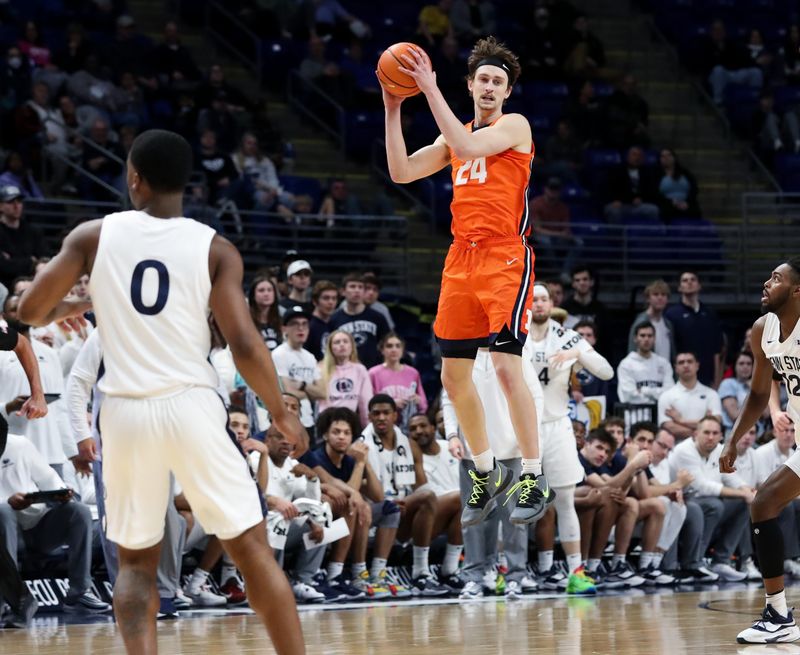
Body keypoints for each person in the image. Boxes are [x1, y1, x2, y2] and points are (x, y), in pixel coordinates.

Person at [16, 129, 306, 654]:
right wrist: (282, 413)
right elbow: (242, 341)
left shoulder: (93, 236)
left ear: (134, 178)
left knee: (135, 562)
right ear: (187, 184)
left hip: (125, 413)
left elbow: (28, 312)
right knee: (252, 550)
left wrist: (70, 305)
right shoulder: (215, 247)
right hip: (191, 404)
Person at [383, 37, 550, 526]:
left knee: (503, 368)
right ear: (471, 85)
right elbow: (400, 171)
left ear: (507, 92)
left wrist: (428, 89)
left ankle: (532, 474)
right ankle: (484, 470)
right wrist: (394, 105)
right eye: (484, 79)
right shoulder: (453, 135)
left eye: (499, 81)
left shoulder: (513, 127)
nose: (491, 87)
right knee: (452, 377)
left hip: (504, 258)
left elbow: (469, 145)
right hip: (461, 258)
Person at [720, 258, 800, 644]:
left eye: (777, 279)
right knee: (764, 504)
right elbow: (756, 394)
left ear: (797, 290)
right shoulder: (761, 330)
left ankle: (779, 614)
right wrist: (732, 439)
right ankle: (779, 615)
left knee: (764, 501)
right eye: (768, 276)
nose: (767, 283)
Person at [525, 283, 612, 594]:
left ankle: (575, 572)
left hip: (558, 424)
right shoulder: (514, 332)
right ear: (525, 302)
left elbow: (606, 372)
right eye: (534, 299)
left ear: (552, 303)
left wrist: (579, 353)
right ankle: (510, 571)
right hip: (521, 426)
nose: (539, 303)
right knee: (517, 502)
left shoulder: (566, 335)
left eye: (544, 298)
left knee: (564, 501)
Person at [361, 394, 449, 595]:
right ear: (369, 417)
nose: (381, 417)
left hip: (404, 508)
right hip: (375, 513)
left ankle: (442, 572)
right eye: (376, 413)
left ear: (395, 416)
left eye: (386, 413)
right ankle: (413, 572)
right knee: (422, 499)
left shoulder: (409, 444)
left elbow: (421, 487)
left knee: (452, 500)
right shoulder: (362, 445)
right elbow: (367, 491)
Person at [407, 412, 464, 591]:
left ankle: (453, 570)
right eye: (413, 429)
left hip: (459, 514)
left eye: (423, 426)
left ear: (433, 428)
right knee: (461, 498)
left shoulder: (450, 447)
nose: (418, 431)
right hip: (426, 516)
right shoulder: (410, 457)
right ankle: (421, 572)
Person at [272, 305, 327, 439]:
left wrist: (302, 385)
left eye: (304, 324)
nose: (301, 328)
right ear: (284, 329)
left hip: (308, 421)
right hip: (288, 420)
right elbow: (287, 392)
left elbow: (322, 393)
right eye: (294, 324)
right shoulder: (279, 354)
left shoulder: (310, 357)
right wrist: (310, 391)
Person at [664, 271, 725, 388]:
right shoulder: (671, 315)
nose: (689, 282)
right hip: (681, 379)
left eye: (693, 279)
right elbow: (670, 350)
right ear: (679, 288)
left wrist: (717, 380)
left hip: (707, 379)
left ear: (699, 285)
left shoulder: (710, 314)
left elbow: (717, 351)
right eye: (685, 280)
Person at [329, 272, 390, 369]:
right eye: (352, 287)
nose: (357, 290)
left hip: (373, 370)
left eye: (360, 287)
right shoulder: (334, 319)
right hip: (344, 371)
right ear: (343, 291)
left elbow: (387, 344)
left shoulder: (378, 317)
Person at [369, 332, 428, 431]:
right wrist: (391, 403)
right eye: (389, 346)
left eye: (398, 346)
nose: (394, 349)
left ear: (402, 350)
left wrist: (418, 401)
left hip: (409, 426)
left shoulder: (413, 373)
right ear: (382, 350)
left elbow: (424, 404)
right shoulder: (373, 373)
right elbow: (369, 403)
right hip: (384, 426)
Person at [657, 351, 722, 440]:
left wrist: (681, 421)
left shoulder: (711, 394)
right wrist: (702, 431)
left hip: (707, 449)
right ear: (675, 368)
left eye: (690, 361)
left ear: (697, 366)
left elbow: (716, 422)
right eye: (681, 362)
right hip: (676, 449)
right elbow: (669, 427)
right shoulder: (666, 396)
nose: (686, 365)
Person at [530, 177, 583, 279]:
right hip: (538, 237)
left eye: (556, 189)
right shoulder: (536, 204)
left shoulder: (562, 207)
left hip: (557, 238)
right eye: (551, 188)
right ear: (545, 189)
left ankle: (565, 272)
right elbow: (537, 229)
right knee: (546, 242)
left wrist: (567, 235)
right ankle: (556, 272)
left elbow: (566, 228)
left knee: (578, 243)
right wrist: (559, 234)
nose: (553, 192)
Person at [317, 329, 372, 427]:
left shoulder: (360, 369)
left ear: (352, 346)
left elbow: (365, 402)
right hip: (326, 421)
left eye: (345, 341)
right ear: (330, 348)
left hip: (351, 421)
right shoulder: (320, 368)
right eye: (337, 342)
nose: (342, 345)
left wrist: (368, 427)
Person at [616, 321, 674, 405]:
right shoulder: (626, 364)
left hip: (660, 416)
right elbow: (628, 396)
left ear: (654, 339)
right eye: (642, 335)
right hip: (635, 415)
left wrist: (644, 391)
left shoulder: (663, 363)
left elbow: (670, 393)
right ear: (635, 338)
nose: (646, 339)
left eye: (650, 336)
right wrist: (655, 399)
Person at [627, 279, 675, 362]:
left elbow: (672, 353)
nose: (660, 298)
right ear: (648, 298)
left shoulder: (668, 324)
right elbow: (632, 350)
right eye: (656, 294)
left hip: (666, 371)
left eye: (663, 295)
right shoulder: (640, 322)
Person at [656, 149, 701, 221]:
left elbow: (694, 188)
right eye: (663, 156)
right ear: (660, 159)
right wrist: (672, 202)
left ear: (674, 157)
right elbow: (654, 193)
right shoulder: (656, 174)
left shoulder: (685, 172)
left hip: (686, 203)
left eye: (669, 155)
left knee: (694, 209)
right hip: (667, 204)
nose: (666, 158)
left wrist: (687, 202)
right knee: (666, 211)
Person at [247, 274, 283, 351]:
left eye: (269, 290)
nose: (266, 294)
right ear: (253, 295)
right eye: (261, 290)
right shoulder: (246, 321)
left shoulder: (281, 320)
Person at [307, 279, 338, 360]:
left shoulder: (335, 324)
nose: (331, 302)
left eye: (334, 298)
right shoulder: (308, 326)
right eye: (326, 298)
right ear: (315, 301)